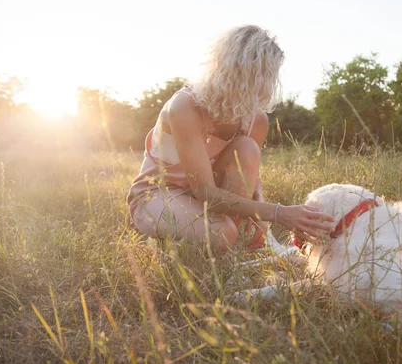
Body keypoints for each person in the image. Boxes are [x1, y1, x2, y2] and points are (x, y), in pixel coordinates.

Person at [127, 25, 334, 251]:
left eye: (270, 75)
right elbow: (205, 192)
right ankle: (172, 242)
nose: (267, 83)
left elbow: (251, 176)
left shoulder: (256, 119)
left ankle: (231, 248)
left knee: (247, 148)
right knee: (223, 232)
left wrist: (261, 213)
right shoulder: (184, 107)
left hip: (206, 202)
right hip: (156, 195)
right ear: (233, 69)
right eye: (263, 74)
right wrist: (278, 213)